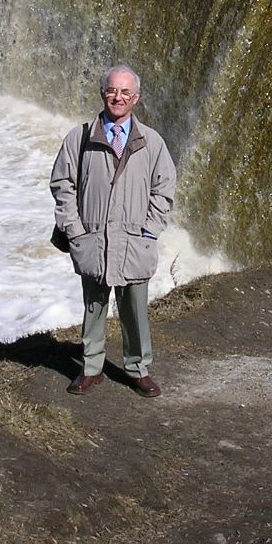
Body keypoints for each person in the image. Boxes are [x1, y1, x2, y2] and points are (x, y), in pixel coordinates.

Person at [50, 65, 177, 397]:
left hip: (135, 242)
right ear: (102, 92)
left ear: (136, 98)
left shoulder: (152, 142)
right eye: (111, 90)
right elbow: (62, 184)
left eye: (125, 93)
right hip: (92, 238)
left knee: (135, 309)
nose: (117, 97)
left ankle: (138, 369)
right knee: (94, 307)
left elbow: (164, 189)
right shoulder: (79, 138)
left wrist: (150, 230)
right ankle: (91, 368)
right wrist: (74, 230)